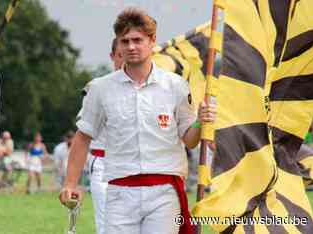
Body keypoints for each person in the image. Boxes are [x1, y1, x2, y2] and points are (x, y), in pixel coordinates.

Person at [60, 8, 216, 234]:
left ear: (152, 41)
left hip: (164, 193)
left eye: (137, 40)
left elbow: (189, 140)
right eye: (125, 41)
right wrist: (70, 184)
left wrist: (200, 123)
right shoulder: (100, 88)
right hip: (119, 192)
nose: (131, 47)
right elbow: (83, 137)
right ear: (118, 45)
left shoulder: (176, 86)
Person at [86, 38, 124, 234]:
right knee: (107, 225)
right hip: (103, 163)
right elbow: (83, 133)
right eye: (120, 55)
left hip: (132, 165)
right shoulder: (97, 87)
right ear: (112, 57)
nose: (125, 59)